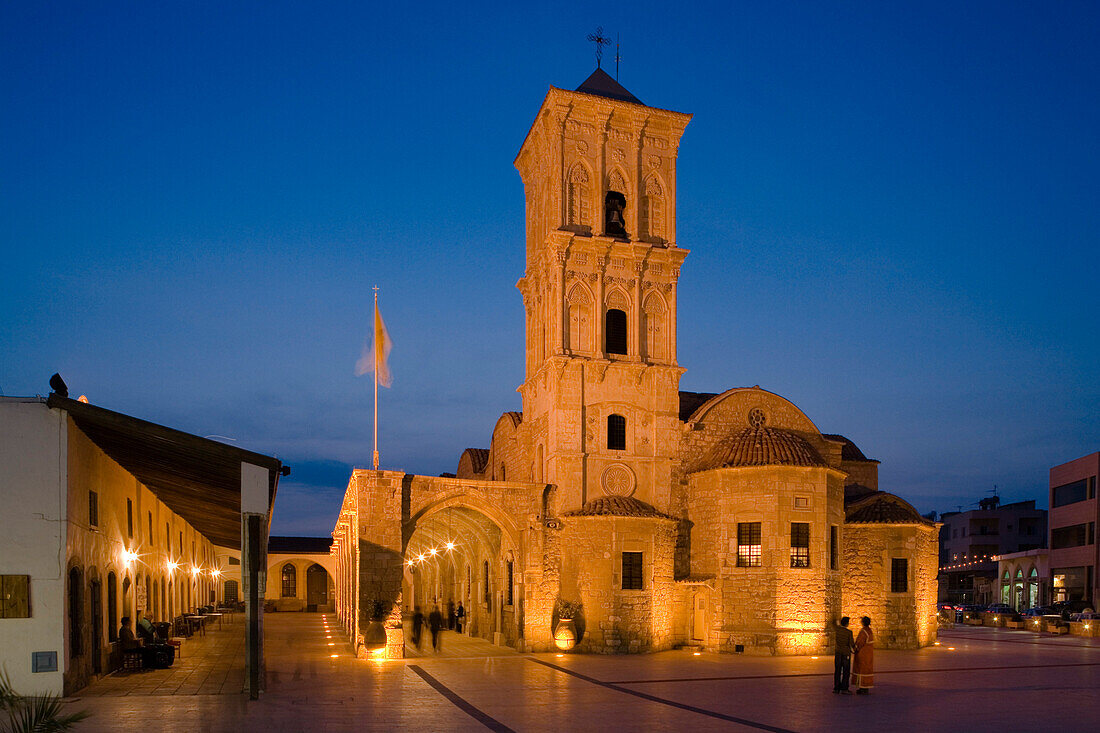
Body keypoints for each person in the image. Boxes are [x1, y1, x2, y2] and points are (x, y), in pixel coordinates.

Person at [851, 616, 875, 694]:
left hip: (863, 654)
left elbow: (860, 642)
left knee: (861, 669)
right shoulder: (870, 631)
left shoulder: (863, 632)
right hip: (869, 654)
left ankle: (862, 687)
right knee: (867, 670)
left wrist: (854, 649)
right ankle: (866, 687)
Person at [833, 616, 854, 694]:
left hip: (838, 652)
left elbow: (834, 622)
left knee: (837, 670)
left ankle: (836, 688)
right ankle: (844, 688)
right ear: (847, 624)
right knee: (846, 671)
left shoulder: (837, 630)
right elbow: (851, 643)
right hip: (846, 653)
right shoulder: (849, 632)